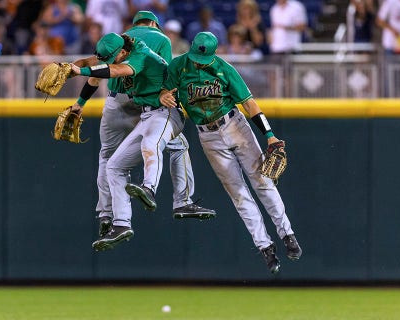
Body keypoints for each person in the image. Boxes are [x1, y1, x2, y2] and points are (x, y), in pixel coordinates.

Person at [159, 31, 302, 274]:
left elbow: (249, 104)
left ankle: (287, 233)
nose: (198, 62)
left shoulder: (224, 69)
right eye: (196, 57)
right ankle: (264, 246)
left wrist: (269, 135)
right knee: (237, 193)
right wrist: (163, 94)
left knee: (263, 182)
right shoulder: (178, 66)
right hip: (208, 135)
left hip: (235, 126)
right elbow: (165, 90)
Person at [69, 11, 216, 247]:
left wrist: (80, 80)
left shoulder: (139, 52)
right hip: (145, 110)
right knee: (117, 164)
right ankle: (121, 223)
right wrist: (68, 67)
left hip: (162, 110)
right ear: (154, 23)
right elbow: (99, 62)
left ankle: (147, 191)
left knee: (133, 149)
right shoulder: (126, 43)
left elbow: (115, 70)